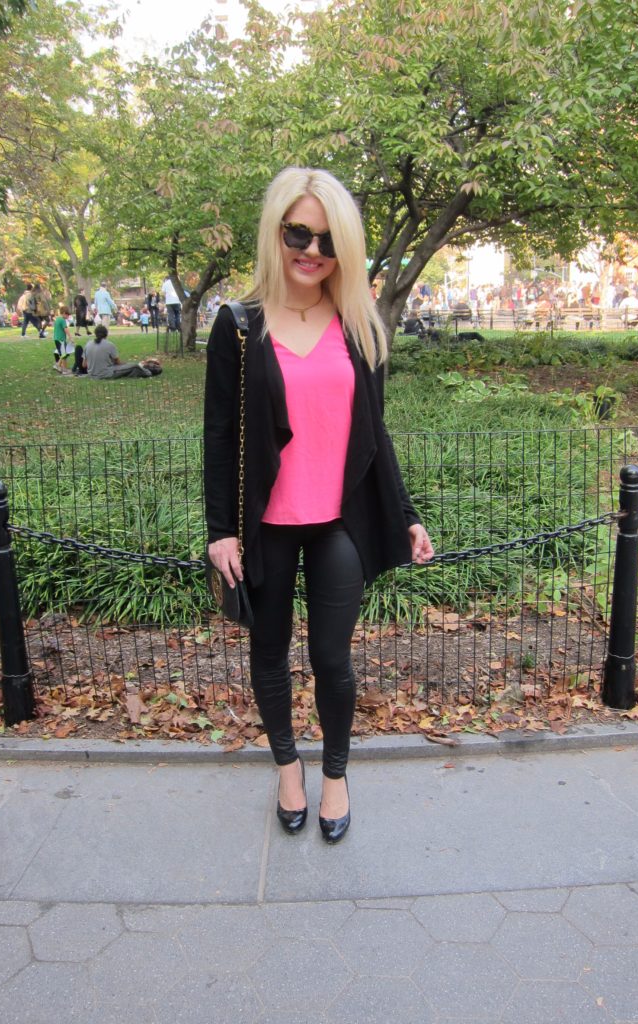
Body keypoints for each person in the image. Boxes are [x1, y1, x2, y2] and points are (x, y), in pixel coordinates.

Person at [204, 167, 434, 845]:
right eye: (297, 232)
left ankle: (335, 774)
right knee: (269, 652)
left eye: (327, 239)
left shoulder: (357, 325)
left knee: (333, 658)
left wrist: (407, 513)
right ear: (275, 232)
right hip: (264, 528)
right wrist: (220, 530)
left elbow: (375, 437)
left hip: (338, 524)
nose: (311, 249)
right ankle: (287, 767)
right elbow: (219, 435)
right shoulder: (239, 327)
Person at [83, 324, 153, 379]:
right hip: (106, 374)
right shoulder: (109, 345)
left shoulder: (88, 344)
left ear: (95, 333)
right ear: (106, 334)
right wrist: (125, 364)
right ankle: (149, 372)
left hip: (91, 374)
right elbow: (118, 362)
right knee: (134, 366)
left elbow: (84, 365)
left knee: (128, 368)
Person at [52, 305, 73, 374]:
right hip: (61, 340)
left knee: (63, 354)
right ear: (64, 313)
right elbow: (66, 329)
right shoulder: (62, 320)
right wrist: (70, 337)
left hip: (56, 339)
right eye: (67, 314)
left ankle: (58, 365)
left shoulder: (57, 319)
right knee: (64, 355)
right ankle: (64, 369)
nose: (68, 316)